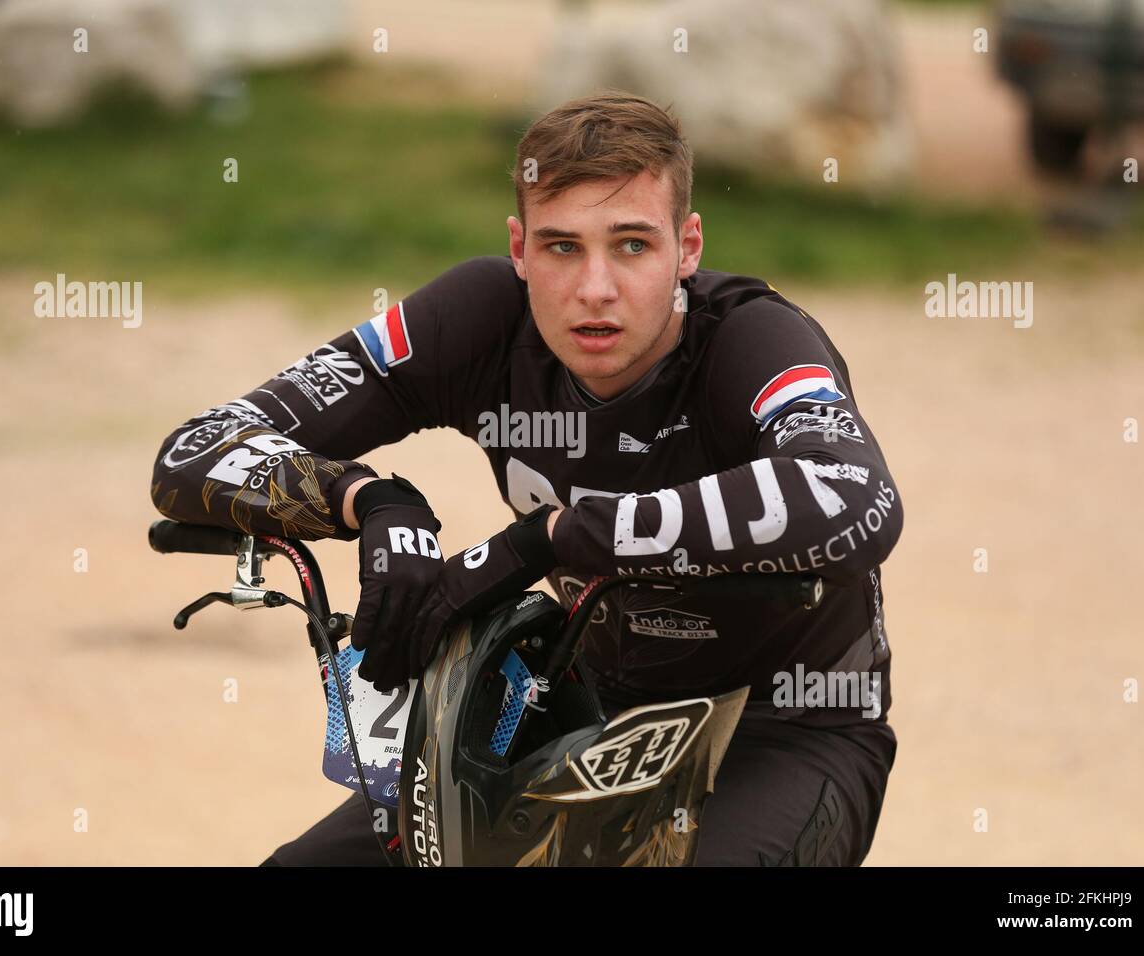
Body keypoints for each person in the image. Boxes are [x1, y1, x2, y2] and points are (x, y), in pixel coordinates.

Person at [150, 90, 904, 866]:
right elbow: (195, 449)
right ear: (519, 248)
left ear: (688, 246)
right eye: (561, 247)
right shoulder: (476, 318)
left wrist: (549, 539)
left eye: (633, 246)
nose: (595, 289)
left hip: (782, 726)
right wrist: (368, 500)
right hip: (576, 712)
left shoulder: (755, 338)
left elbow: (855, 494)